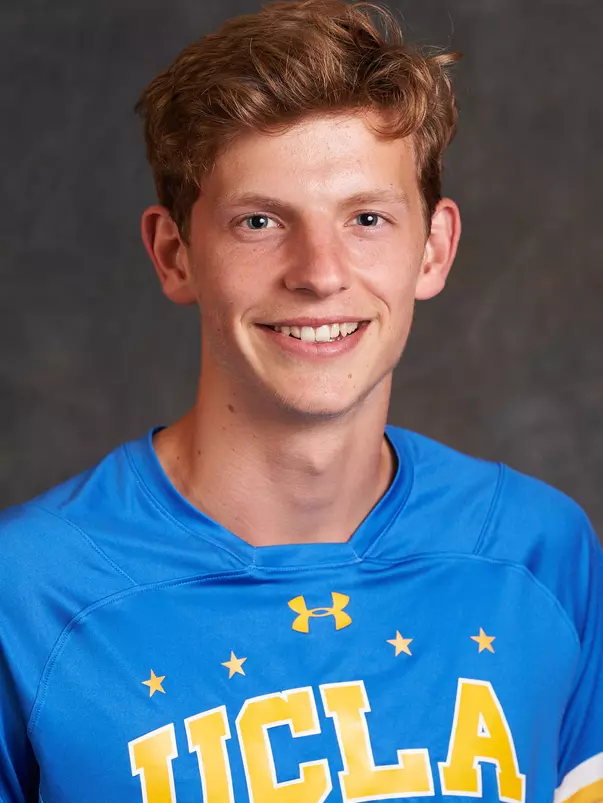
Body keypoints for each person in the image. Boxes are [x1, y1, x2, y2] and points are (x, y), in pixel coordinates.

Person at [1, 0, 601, 800]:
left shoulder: (538, 553)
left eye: (366, 218)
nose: (318, 272)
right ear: (174, 254)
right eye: (258, 221)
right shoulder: (28, 590)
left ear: (434, 248)